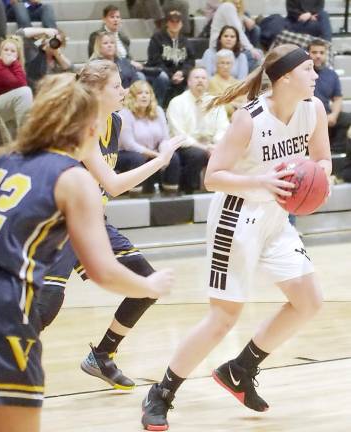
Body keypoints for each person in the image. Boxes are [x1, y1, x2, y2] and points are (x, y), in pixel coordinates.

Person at [0, 72, 174, 432]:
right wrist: (152, 285)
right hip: (5, 303)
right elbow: (102, 270)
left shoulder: (1, 160)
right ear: (84, 126)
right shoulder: (73, 177)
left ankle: (102, 354)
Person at [141, 44, 331, 431]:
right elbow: (213, 176)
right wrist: (259, 180)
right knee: (224, 317)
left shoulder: (314, 109)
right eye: (309, 69)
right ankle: (161, 393)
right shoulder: (250, 119)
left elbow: (323, 160)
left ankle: (240, 368)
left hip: (276, 217)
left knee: (308, 301)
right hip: (237, 216)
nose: (316, 75)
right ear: (285, 78)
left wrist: (314, 176)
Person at [37, 60, 184, 391]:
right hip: (60, 220)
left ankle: (102, 355)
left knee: (146, 284)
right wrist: (160, 161)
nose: (125, 91)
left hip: (92, 221)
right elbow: (114, 183)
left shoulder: (115, 122)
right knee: (46, 305)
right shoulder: (78, 126)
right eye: (117, 86)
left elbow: (104, 188)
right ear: (94, 92)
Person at [167, 67, 229, 194]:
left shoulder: (215, 102)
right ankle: (189, 191)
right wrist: (204, 148)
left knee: (232, 150)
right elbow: (179, 135)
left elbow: (223, 128)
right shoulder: (177, 102)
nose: (200, 80)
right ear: (188, 82)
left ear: (207, 82)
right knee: (197, 154)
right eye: (196, 78)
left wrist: (215, 145)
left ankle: (222, 192)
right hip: (185, 146)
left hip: (212, 144)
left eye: (203, 78)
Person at [118, 80, 180, 195]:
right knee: (137, 158)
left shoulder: (158, 111)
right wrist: (159, 156)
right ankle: (135, 197)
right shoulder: (124, 114)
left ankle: (171, 196)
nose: (144, 96)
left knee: (173, 157)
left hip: (154, 152)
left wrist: (165, 152)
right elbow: (129, 144)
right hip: (127, 153)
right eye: (140, 93)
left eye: (147, 93)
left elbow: (164, 138)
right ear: (132, 96)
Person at [0, 36, 33, 141]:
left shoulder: (15, 67)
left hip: (3, 107)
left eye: (12, 51)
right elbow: (21, 84)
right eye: (5, 50)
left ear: (17, 55)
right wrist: (15, 63)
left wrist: (15, 64)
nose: (8, 53)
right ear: (0, 52)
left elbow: (20, 83)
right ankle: (27, 135)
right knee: (25, 92)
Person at [308, 39, 351, 154]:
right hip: (307, 115)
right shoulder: (301, 73)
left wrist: (334, 115)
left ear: (326, 55)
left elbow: (337, 98)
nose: (318, 56)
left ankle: (336, 153)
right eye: (314, 52)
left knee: (348, 118)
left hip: (326, 115)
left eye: (321, 53)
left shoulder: (332, 74)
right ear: (308, 53)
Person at [145, 9, 195, 107]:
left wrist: (182, 72)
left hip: (180, 75)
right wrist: (171, 75)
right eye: (172, 21)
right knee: (162, 77)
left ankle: (186, 108)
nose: (175, 24)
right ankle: (157, 106)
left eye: (178, 22)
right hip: (161, 73)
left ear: (181, 24)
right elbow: (155, 61)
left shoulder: (185, 41)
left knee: (196, 77)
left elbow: (190, 61)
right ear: (167, 23)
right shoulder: (157, 38)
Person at [209, 0, 262, 72]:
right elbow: (238, 31)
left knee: (257, 52)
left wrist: (244, 18)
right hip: (219, 47)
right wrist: (251, 48)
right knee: (256, 56)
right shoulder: (228, 6)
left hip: (232, 46)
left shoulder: (234, 9)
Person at [208, 49, 246, 118]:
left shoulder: (237, 83)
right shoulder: (212, 82)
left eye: (228, 63)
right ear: (216, 65)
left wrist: (231, 103)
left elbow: (244, 103)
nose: (225, 66)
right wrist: (235, 105)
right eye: (222, 63)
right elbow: (218, 105)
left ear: (232, 65)